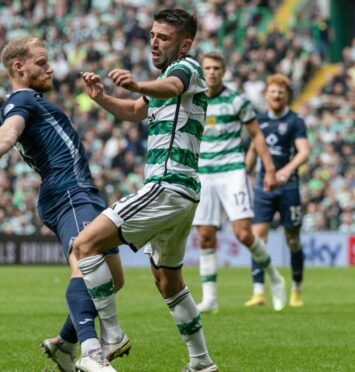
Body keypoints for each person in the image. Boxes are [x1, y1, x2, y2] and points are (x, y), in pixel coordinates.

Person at [0, 36, 129, 372]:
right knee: (84, 266)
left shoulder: (25, 102)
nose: (51, 68)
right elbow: (8, 132)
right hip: (68, 194)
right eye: (43, 62)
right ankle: (91, 352)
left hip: (80, 193)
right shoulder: (21, 101)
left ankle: (64, 344)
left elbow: (1, 134)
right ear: (19, 67)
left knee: (112, 280)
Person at [76, 9, 217, 372]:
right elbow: (137, 111)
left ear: (185, 44)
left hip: (168, 186)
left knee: (85, 245)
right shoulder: (163, 77)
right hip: (181, 193)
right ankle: (201, 363)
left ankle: (111, 335)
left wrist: (138, 84)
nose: (154, 41)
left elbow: (169, 89)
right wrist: (102, 99)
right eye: (153, 34)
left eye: (164, 37)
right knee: (167, 281)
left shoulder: (188, 69)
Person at [192, 52, 286, 313]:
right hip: (204, 173)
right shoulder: (193, 100)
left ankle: (275, 277)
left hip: (232, 171)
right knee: (205, 236)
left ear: (224, 71)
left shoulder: (237, 100)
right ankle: (210, 298)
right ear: (202, 71)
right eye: (207, 68)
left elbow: (256, 135)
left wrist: (268, 169)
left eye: (216, 68)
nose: (211, 72)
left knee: (243, 233)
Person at [245, 74, 310, 308]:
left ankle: (297, 289)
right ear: (266, 94)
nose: (276, 95)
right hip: (263, 187)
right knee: (256, 238)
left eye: (281, 92)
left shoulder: (295, 121)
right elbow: (253, 151)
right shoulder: (258, 121)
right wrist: (245, 174)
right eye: (273, 91)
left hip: (289, 187)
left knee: (292, 239)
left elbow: (304, 152)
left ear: (287, 95)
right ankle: (259, 292)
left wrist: (287, 170)